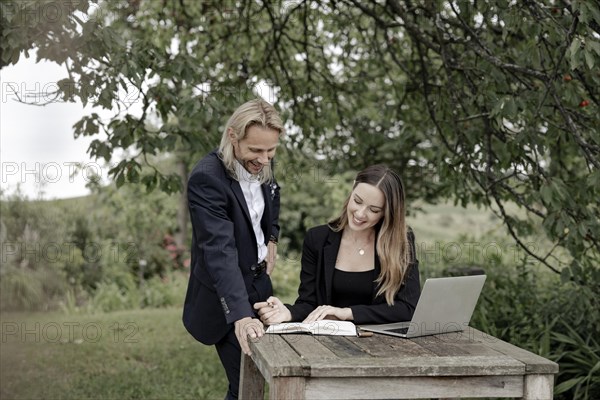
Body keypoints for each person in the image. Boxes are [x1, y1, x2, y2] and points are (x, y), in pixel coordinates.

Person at [182, 98, 284, 400]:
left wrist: (272, 238)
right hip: (224, 293)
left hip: (260, 286)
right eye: (256, 150)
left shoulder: (262, 159)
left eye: (271, 150)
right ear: (232, 136)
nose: (265, 159)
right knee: (246, 385)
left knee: (252, 383)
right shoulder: (206, 179)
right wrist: (240, 315)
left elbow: (273, 200)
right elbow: (219, 250)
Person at [254, 164, 420, 326]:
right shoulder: (317, 239)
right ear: (352, 190)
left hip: (382, 345)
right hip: (329, 344)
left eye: (374, 210)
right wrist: (287, 313)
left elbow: (407, 308)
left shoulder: (401, 241)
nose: (360, 213)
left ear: (387, 213)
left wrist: (347, 313)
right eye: (357, 201)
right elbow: (309, 304)